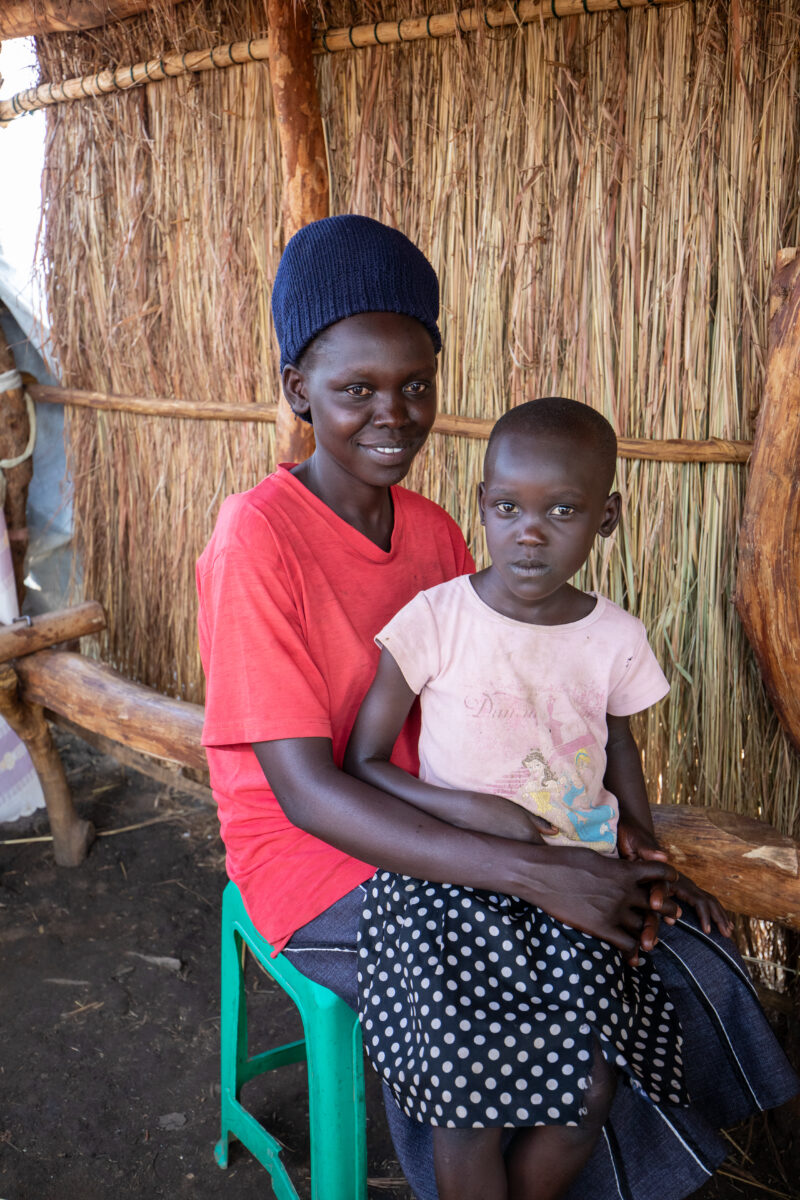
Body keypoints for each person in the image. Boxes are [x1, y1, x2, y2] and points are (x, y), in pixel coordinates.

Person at [196, 217, 797, 1199]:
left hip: (451, 814)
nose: (391, 414)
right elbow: (305, 794)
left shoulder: (432, 529)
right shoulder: (254, 540)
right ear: (297, 390)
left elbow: (520, 708)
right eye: (355, 390)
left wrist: (613, 852)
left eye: (414, 385)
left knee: (653, 945)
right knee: (523, 1011)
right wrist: (534, 874)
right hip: (315, 860)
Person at [344, 397, 737, 1198]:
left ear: (607, 518)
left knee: (587, 1092)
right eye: (509, 507)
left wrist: (644, 842)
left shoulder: (615, 638)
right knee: (463, 1101)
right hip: (446, 886)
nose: (531, 530)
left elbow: (619, 743)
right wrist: (467, 809)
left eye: (563, 510)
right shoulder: (436, 620)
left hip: (574, 883)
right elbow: (363, 761)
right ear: (481, 503)